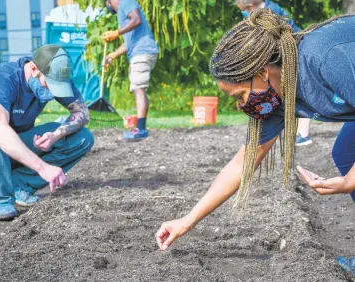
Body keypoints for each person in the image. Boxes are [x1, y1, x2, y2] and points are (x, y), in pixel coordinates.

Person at [155, 10, 355, 273]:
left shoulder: (323, 59)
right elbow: (243, 163)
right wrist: (188, 220)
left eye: (240, 95)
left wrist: (350, 180)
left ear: (262, 72)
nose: (240, 106)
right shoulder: (278, 98)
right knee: (346, 152)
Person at [0, 44, 94, 220]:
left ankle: (19, 185)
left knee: (83, 137)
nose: (52, 93)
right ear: (34, 68)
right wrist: (42, 167)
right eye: (49, 85)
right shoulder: (2, 78)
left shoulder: (57, 76)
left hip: (15, 142)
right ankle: (1, 198)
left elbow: (82, 113)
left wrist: (56, 135)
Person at [236, 0, 313, 146]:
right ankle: (266, 134)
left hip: (292, 50)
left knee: (298, 92)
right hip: (273, 57)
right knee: (270, 92)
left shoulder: (273, 9)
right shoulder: (246, 12)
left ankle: (303, 134)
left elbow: (287, 32)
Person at [103, 0, 159, 142]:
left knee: (139, 88)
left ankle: (140, 129)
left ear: (109, 2)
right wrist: (113, 55)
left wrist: (117, 32)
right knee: (138, 88)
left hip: (142, 51)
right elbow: (129, 42)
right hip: (141, 50)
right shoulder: (125, 10)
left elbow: (137, 20)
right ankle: (140, 128)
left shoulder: (126, 3)